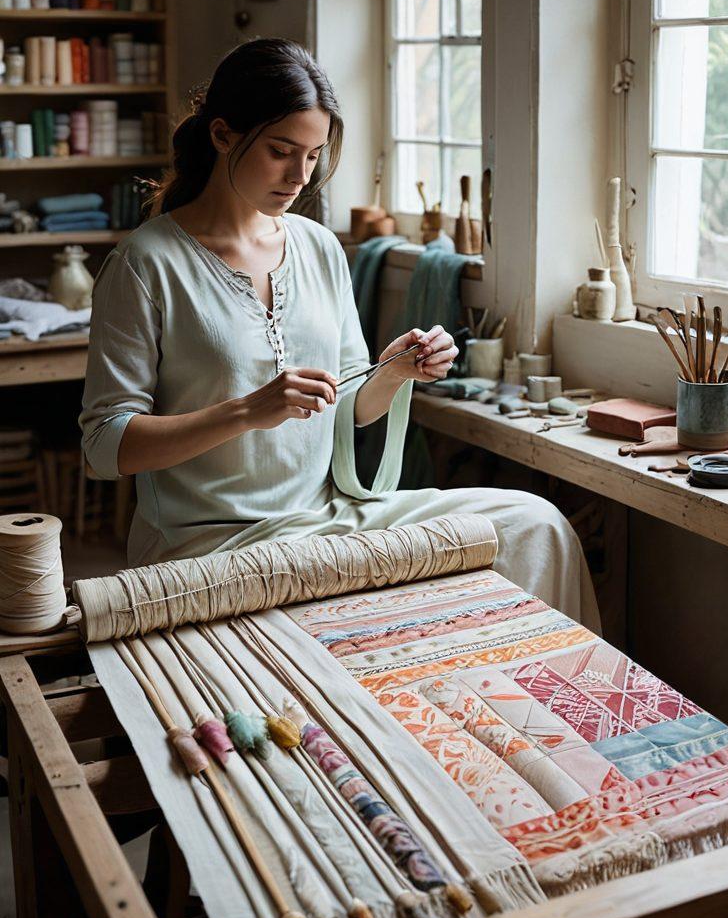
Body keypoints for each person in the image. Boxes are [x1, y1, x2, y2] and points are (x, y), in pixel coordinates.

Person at [79, 38, 600, 630]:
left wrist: (395, 372)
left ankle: (573, 712)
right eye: (281, 151)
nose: (300, 176)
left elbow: (347, 403)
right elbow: (105, 446)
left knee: (537, 525)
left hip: (330, 523)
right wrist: (248, 411)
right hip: (214, 548)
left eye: (313, 156)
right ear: (223, 134)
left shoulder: (320, 248)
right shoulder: (145, 264)